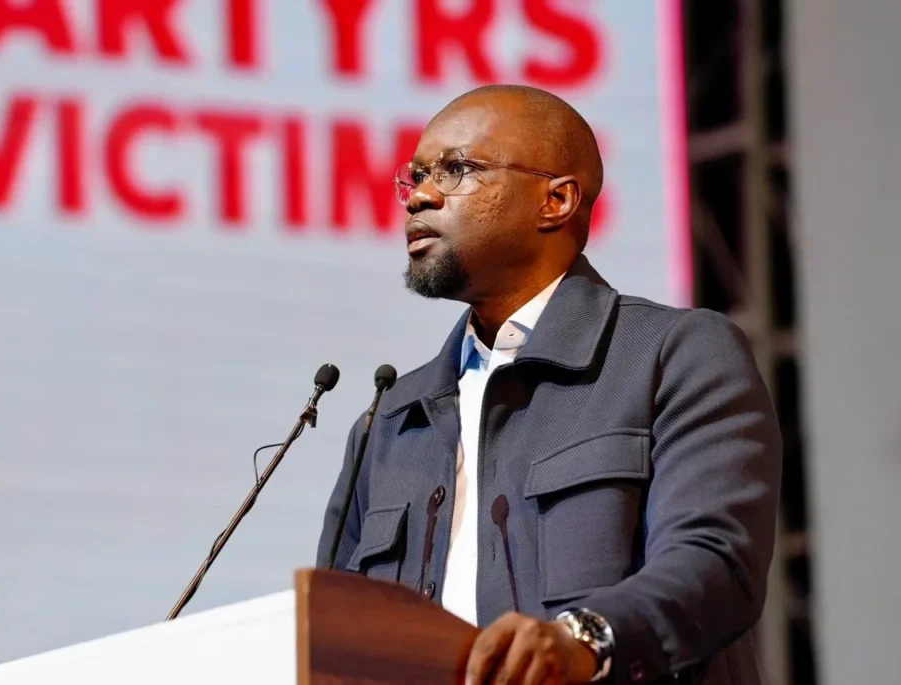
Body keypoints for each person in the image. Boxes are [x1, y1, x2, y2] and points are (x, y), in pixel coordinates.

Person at [316, 85, 781, 685]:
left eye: (456, 170)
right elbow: (334, 638)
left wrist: (580, 639)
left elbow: (714, 565)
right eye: (416, 177)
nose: (421, 197)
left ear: (555, 201)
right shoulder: (390, 420)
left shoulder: (673, 355)